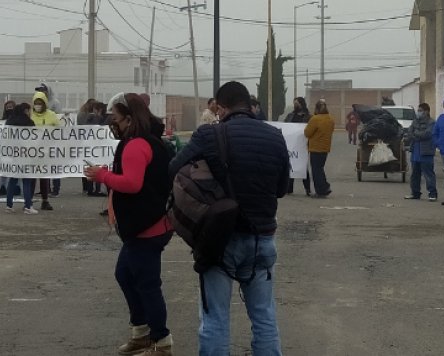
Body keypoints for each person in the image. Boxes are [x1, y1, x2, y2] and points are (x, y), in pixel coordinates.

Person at [168, 81, 289, 356]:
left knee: (215, 319)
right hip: (263, 238)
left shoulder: (209, 135)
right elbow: (282, 189)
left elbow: (174, 168)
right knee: (264, 317)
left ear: (221, 108)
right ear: (248, 105)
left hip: (221, 239)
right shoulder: (275, 136)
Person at [84, 93, 174, 356]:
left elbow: (132, 184)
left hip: (147, 226)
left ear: (129, 118)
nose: (112, 120)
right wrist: (109, 176)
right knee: (125, 274)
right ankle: (142, 333)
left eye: (115, 115)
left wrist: (103, 176)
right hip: (146, 224)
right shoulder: (148, 142)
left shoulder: (136, 144)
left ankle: (161, 341)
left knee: (147, 284)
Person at [3, 103, 38, 214]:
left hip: (14, 154)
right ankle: (28, 206)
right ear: (25, 111)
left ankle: (9, 205)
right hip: (26, 154)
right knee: (26, 180)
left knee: (13, 180)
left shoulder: (9, 122)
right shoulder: (29, 123)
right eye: (29, 111)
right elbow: (34, 139)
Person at [404, 103, 437, 202]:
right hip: (415, 152)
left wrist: (416, 134)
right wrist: (416, 135)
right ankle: (415, 193)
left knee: (428, 174)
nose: (419, 112)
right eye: (418, 110)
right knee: (415, 174)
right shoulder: (415, 121)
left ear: (426, 111)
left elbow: (427, 134)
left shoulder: (432, 122)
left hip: (426, 153)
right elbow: (410, 133)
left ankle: (432, 194)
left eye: (420, 110)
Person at [31, 91, 58, 210]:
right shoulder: (30, 115)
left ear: (44, 103)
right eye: (36, 103)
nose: (38, 105)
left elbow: (59, 132)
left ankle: (45, 200)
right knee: (31, 177)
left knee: (44, 177)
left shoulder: (51, 115)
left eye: (40, 103)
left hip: (46, 151)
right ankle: (29, 201)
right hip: (31, 152)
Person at [304, 100, 336, 198]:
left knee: (316, 170)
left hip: (315, 148)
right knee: (320, 168)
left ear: (316, 108)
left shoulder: (315, 119)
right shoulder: (330, 119)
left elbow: (307, 133)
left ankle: (321, 190)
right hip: (325, 148)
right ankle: (325, 187)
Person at [284, 97, 311, 196]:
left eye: (297, 103)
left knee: (303, 167)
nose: (295, 105)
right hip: (291, 144)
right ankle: (289, 188)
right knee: (291, 165)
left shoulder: (308, 117)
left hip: (302, 144)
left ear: (301, 104)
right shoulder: (290, 115)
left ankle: (308, 189)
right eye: (294, 103)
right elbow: (285, 126)